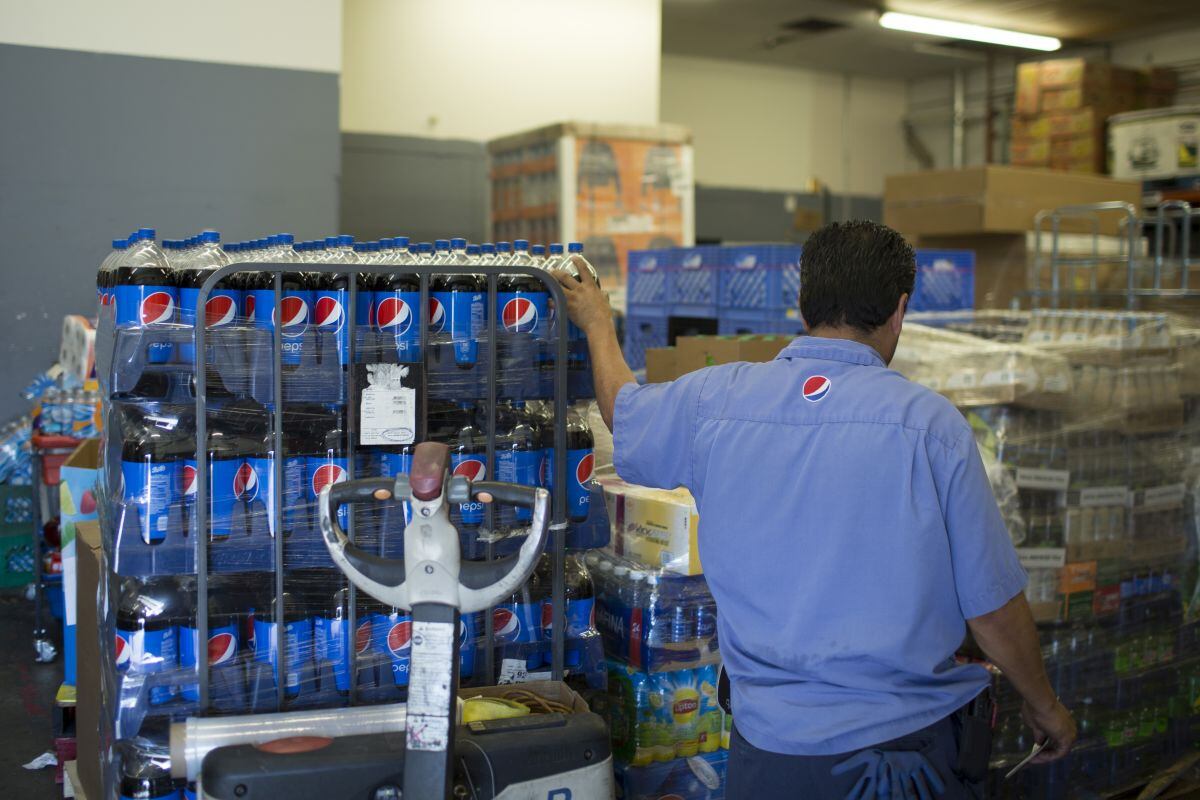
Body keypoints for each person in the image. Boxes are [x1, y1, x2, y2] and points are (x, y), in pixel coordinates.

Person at [552, 220, 1075, 799]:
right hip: (903, 761)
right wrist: (1045, 706)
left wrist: (598, 322)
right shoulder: (931, 428)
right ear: (900, 311)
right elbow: (993, 611)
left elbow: (623, 413)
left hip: (770, 756)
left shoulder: (713, 401)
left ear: (802, 306)